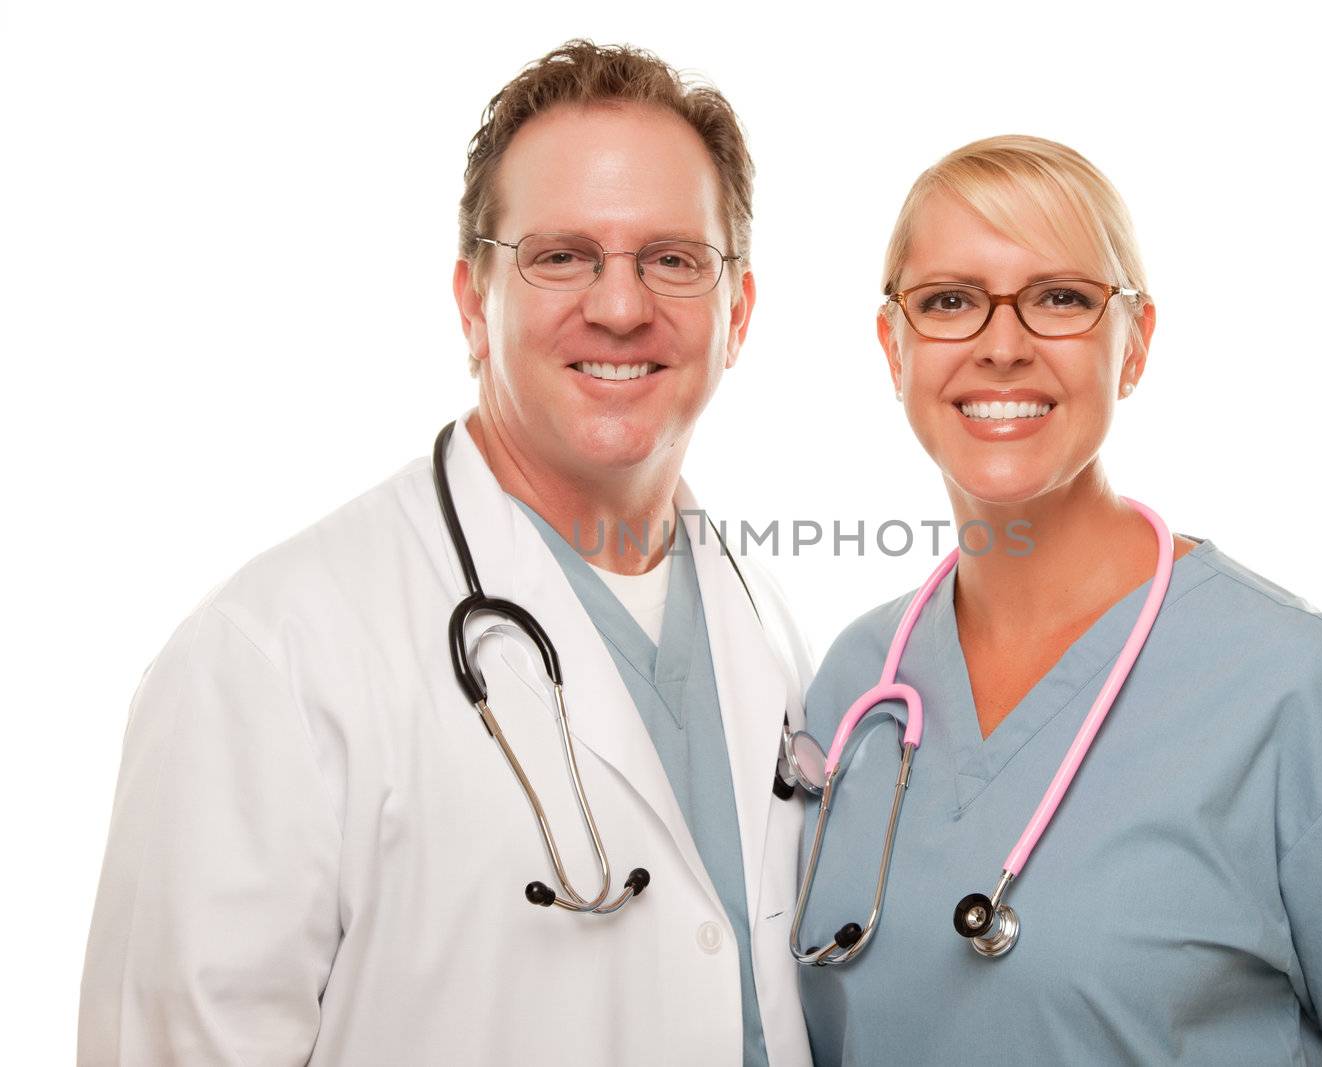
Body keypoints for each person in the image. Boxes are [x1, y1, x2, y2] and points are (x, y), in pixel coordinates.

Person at [79, 41, 812, 1066]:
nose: (618, 304)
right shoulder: (272, 655)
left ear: (736, 311)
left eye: (672, 259)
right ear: (473, 302)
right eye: (561, 255)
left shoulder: (767, 619)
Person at [791, 136, 1322, 1066]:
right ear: (895, 347)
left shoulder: (1308, 696)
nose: (1003, 345)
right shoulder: (855, 687)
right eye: (949, 301)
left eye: (1061, 298)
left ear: (1133, 343)